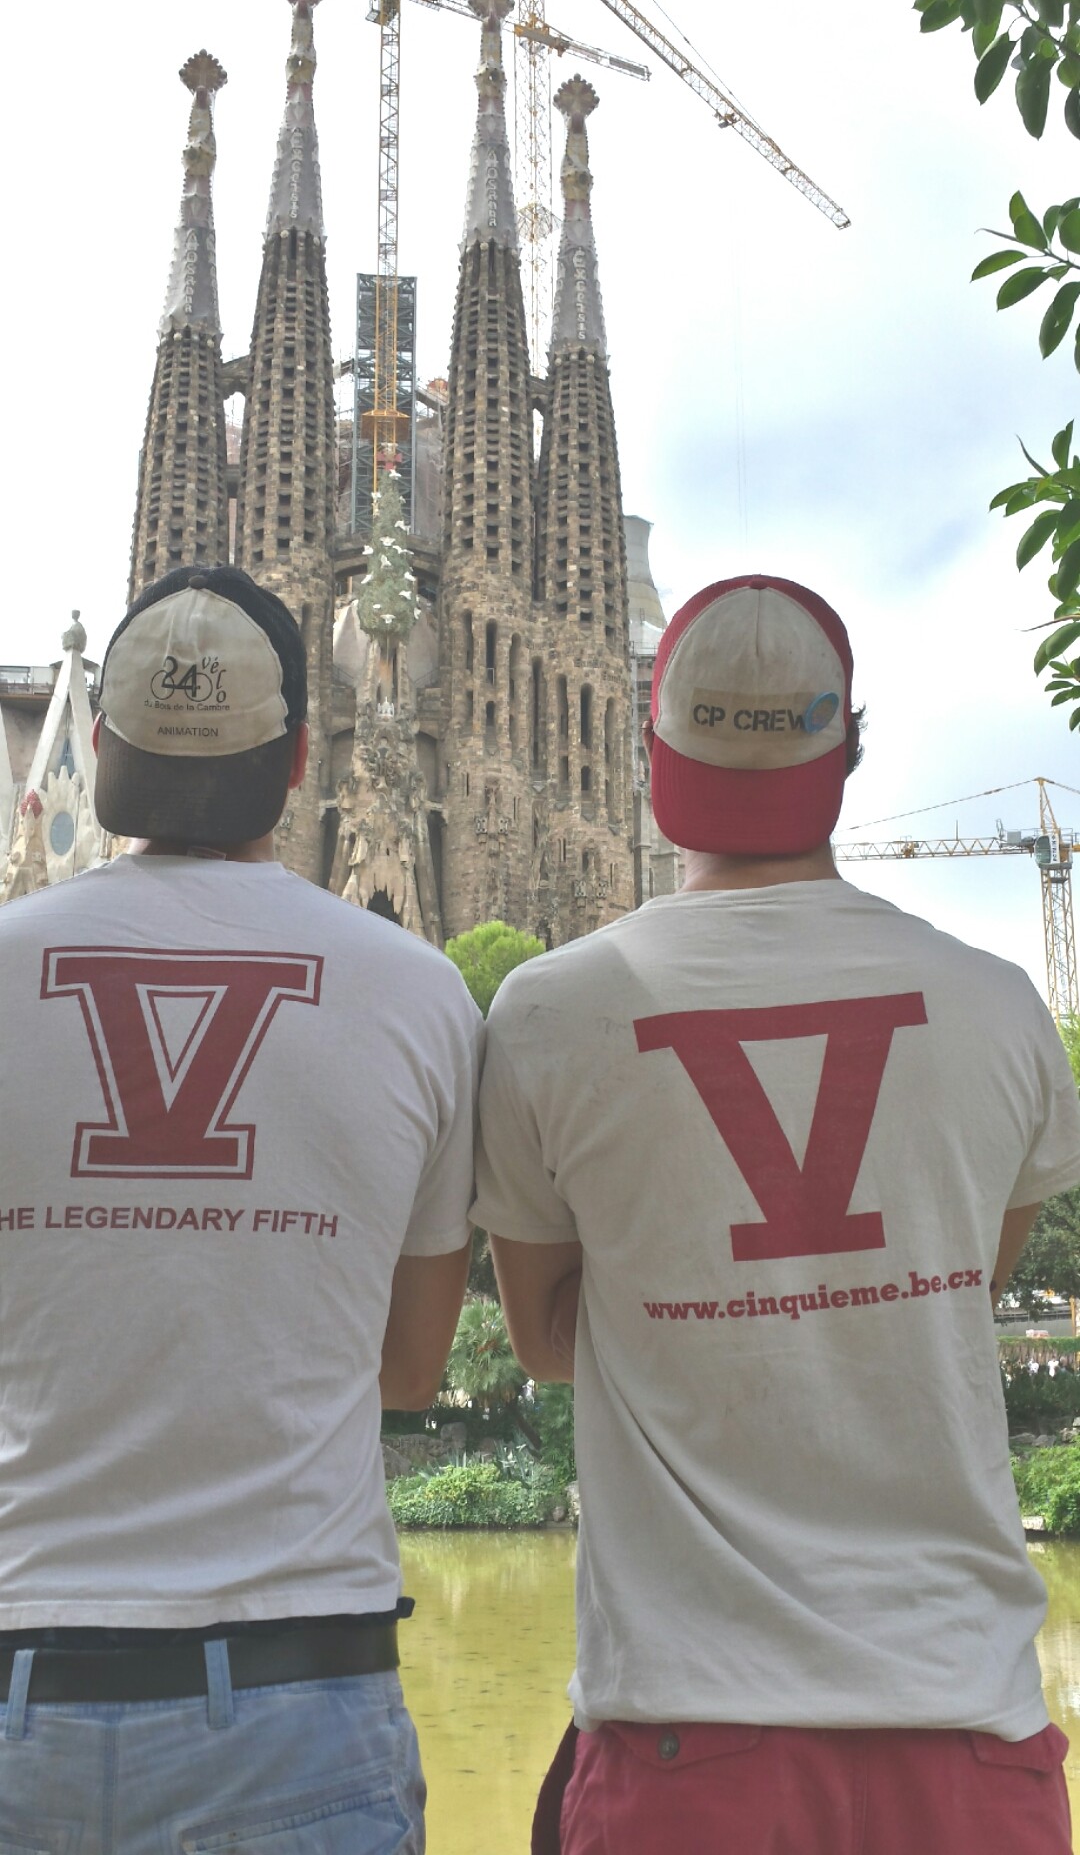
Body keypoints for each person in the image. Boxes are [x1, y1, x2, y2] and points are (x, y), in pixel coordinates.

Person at [473, 574, 1080, 1855]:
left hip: (690, 1744)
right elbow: (961, 1278)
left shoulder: (544, 1011)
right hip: (968, 1736)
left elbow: (542, 1338)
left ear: (655, 757)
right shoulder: (1000, 1004)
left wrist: (678, 1294)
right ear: (848, 751)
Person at [0, 566, 480, 1851]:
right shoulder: (425, 996)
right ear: (300, 758)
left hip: (21, 1681)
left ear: (99, 752)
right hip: (298, 1693)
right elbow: (410, 1366)